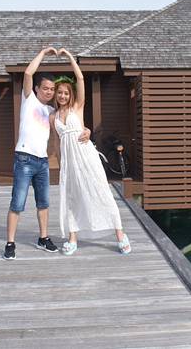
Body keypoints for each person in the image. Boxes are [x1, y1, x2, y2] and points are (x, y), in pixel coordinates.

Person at [4, 47, 90, 260]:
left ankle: (43, 238)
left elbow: (67, 131)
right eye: (46, 88)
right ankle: (10, 243)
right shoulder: (29, 100)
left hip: (42, 162)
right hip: (24, 159)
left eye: (52, 89)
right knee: (17, 203)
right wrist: (43, 53)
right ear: (36, 89)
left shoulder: (52, 112)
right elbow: (28, 73)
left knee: (43, 203)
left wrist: (87, 130)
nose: (50, 92)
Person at [50, 48, 131, 256]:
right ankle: (72, 238)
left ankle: (120, 234)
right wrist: (61, 165)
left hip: (86, 157)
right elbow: (57, 143)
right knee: (71, 197)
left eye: (66, 92)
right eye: (60, 92)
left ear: (71, 95)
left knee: (101, 192)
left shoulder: (77, 107)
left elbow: (80, 78)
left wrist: (69, 57)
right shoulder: (53, 117)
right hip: (69, 163)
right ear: (56, 94)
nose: (63, 95)